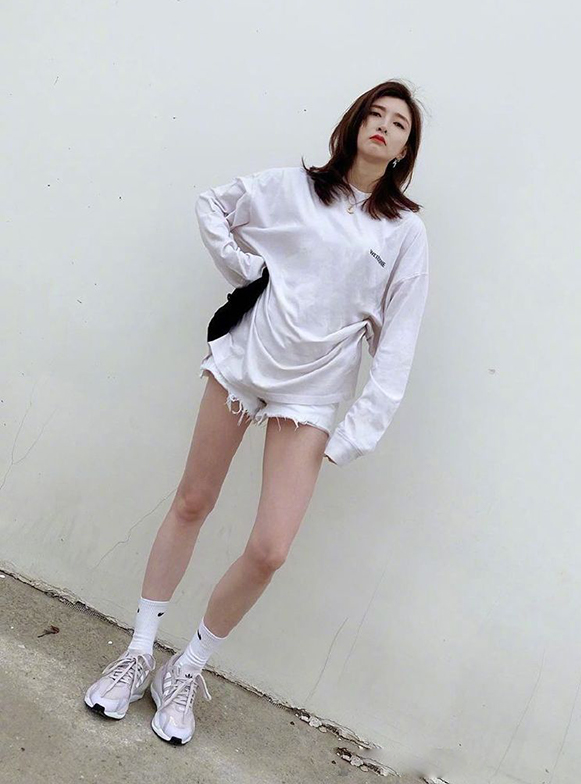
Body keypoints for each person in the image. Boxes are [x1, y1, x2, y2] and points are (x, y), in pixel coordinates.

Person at [83, 79, 431, 745]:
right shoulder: (294, 189)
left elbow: (399, 341)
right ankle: (138, 651)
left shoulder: (405, 233)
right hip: (246, 361)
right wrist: (246, 268)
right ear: (355, 123)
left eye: (400, 124)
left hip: (314, 393)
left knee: (271, 550)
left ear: (404, 151)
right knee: (192, 501)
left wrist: (358, 430)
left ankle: (186, 668)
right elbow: (214, 205)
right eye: (376, 114)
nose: (385, 126)